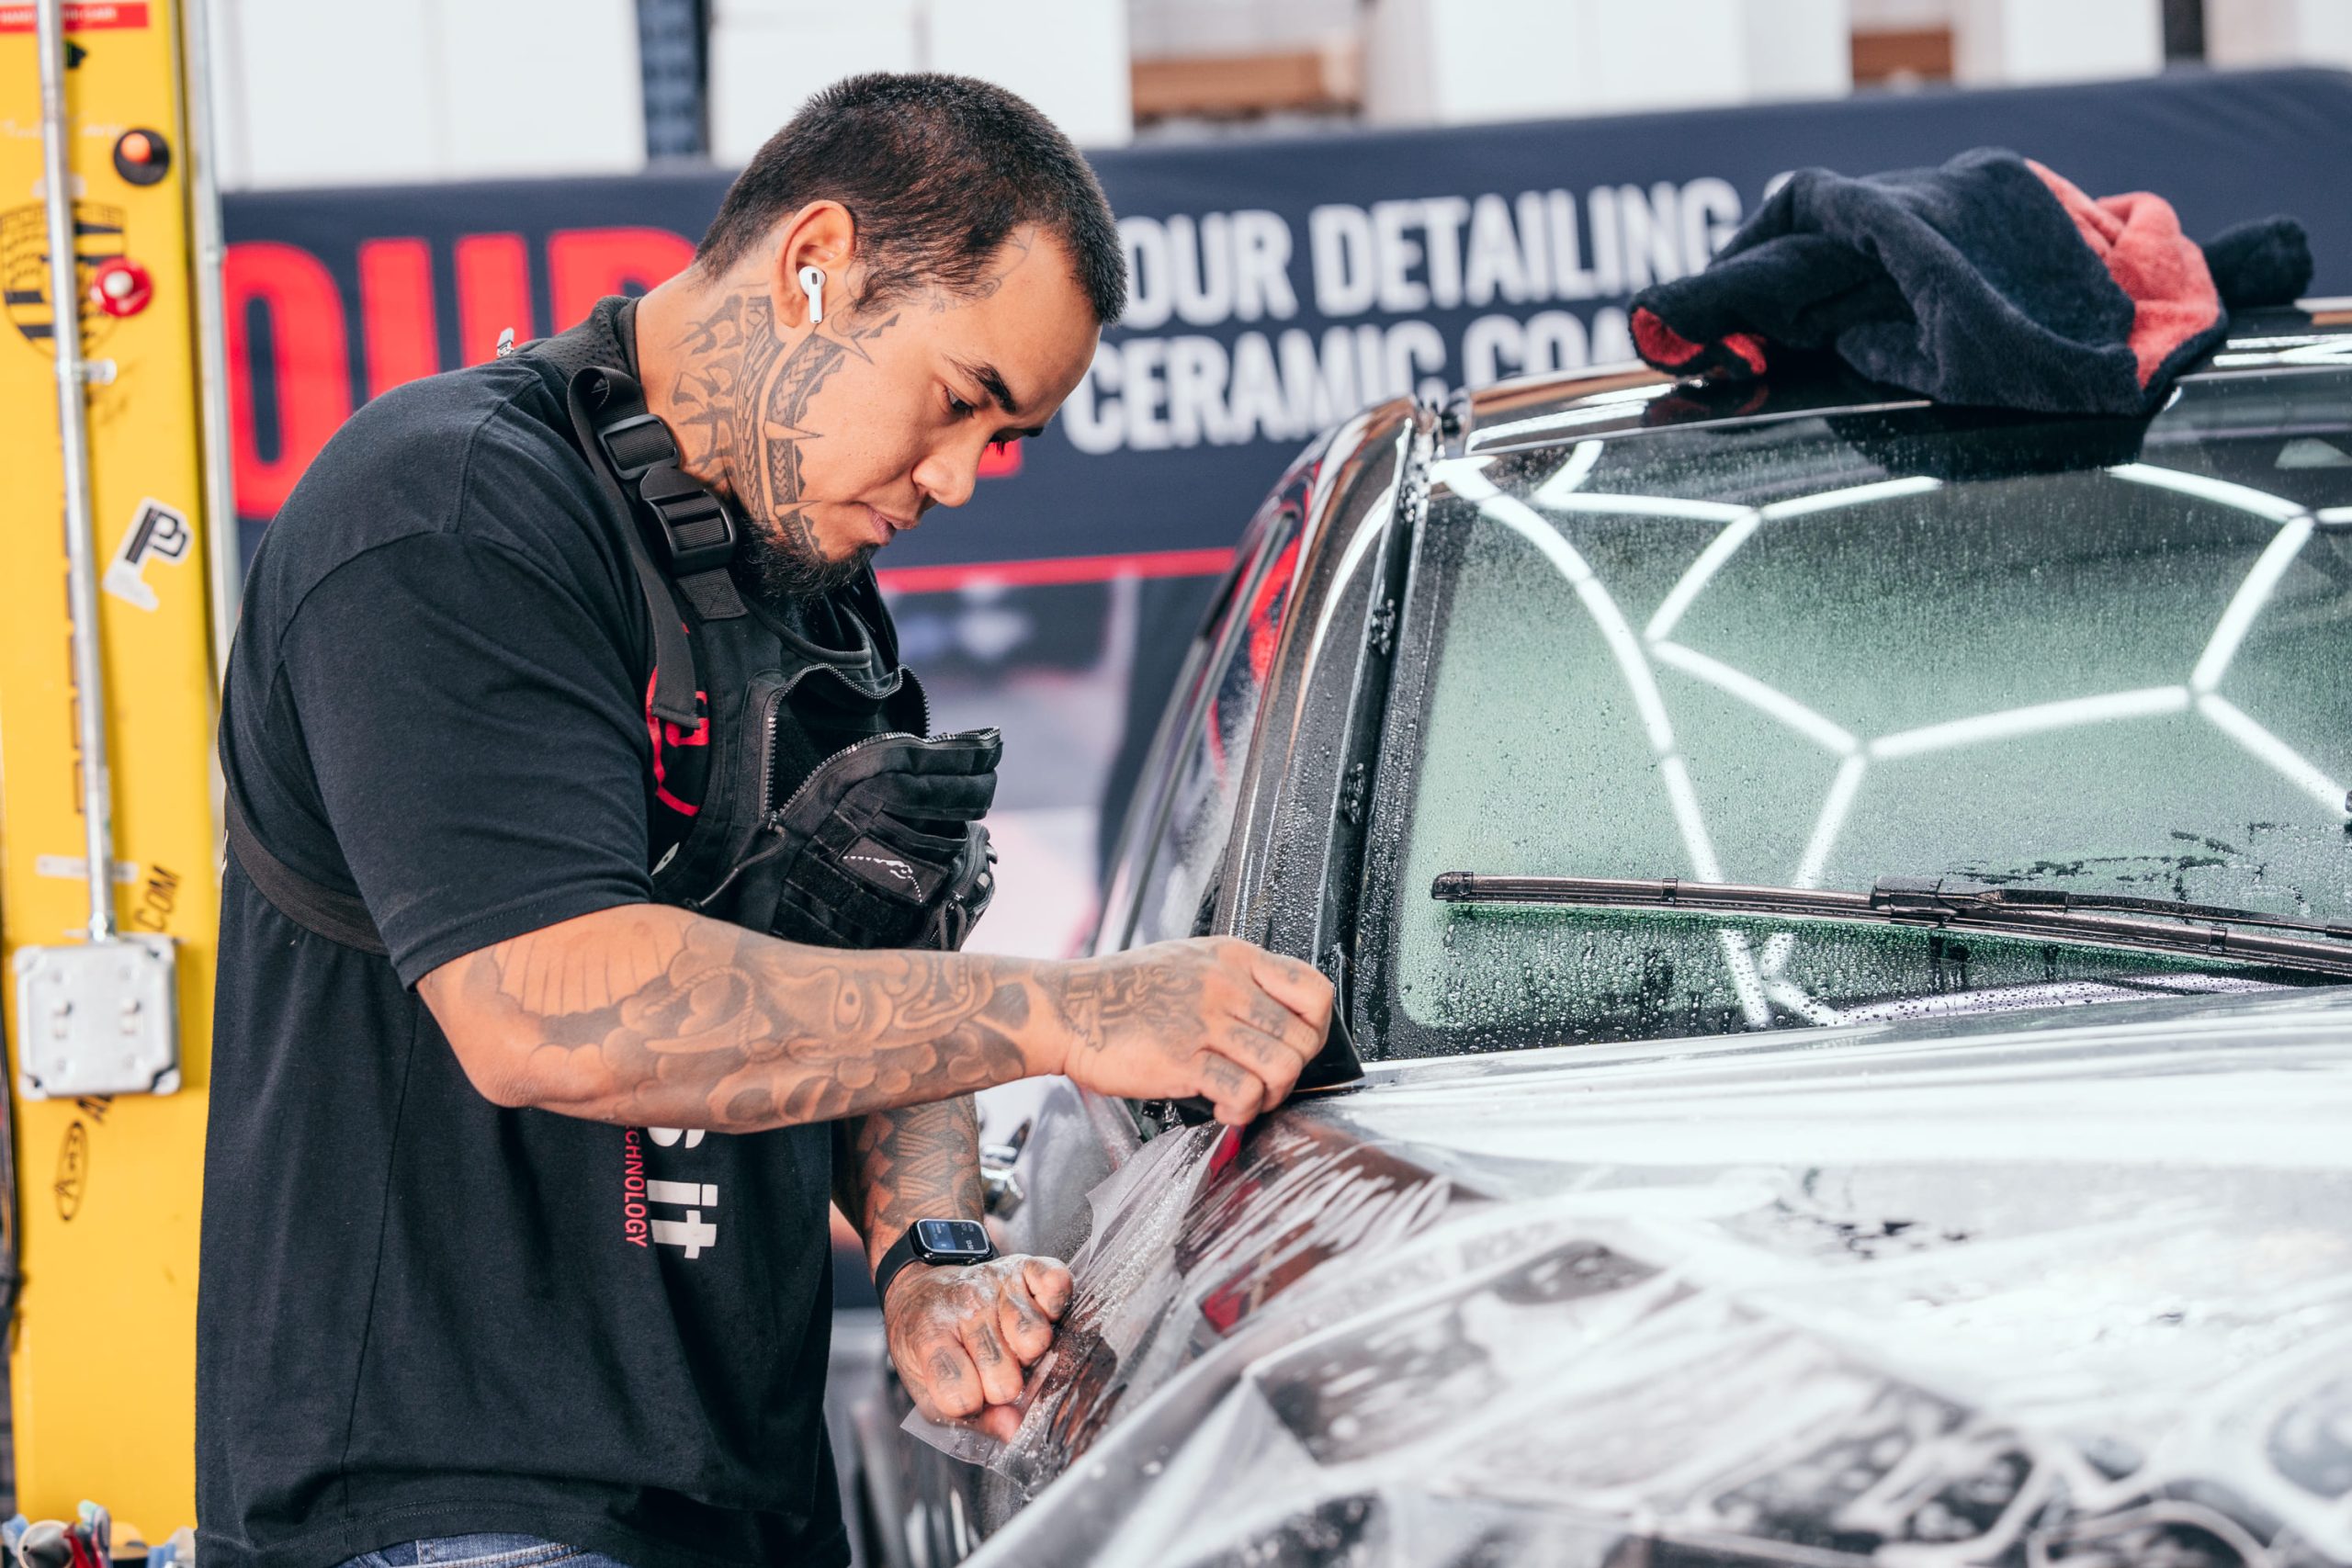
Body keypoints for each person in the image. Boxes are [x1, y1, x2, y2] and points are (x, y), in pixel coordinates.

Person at [198, 73, 1333, 1568]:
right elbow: (545, 1004)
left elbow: (889, 1005)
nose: (959, 479)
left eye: (1005, 441)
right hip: (449, 1506)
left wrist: (932, 1256)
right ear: (816, 265)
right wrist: (1075, 1012)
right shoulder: (452, 514)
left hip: (740, 1500)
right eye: (962, 401)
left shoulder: (812, 601)